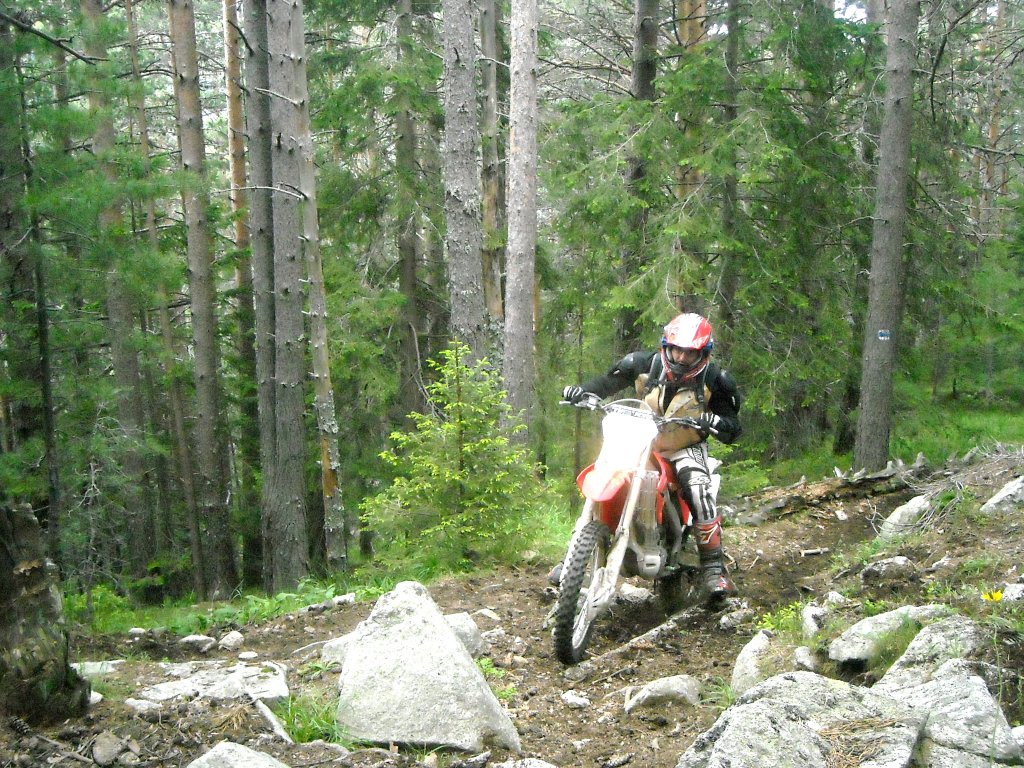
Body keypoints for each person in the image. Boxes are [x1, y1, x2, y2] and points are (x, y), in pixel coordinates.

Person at [562, 313, 743, 601]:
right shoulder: (642, 364)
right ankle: (573, 558)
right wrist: (581, 392)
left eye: (690, 352)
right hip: (640, 438)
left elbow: (733, 427)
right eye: (677, 349)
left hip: (685, 444)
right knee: (606, 470)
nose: (682, 357)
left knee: (697, 487)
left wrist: (715, 422)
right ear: (666, 346)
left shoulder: (716, 380)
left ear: (703, 353)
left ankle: (713, 568)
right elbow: (606, 383)